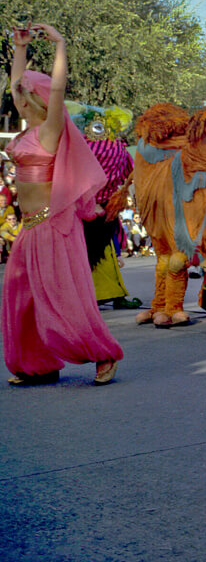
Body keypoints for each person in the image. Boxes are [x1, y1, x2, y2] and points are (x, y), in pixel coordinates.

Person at [2, 23, 121, 386]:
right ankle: (39, 364)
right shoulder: (26, 131)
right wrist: (20, 49)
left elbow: (56, 87)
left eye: (22, 94)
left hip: (54, 223)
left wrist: (60, 45)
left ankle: (104, 353)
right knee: (20, 293)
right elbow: (15, 83)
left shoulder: (50, 130)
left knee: (61, 295)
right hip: (31, 225)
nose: (16, 97)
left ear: (33, 99)